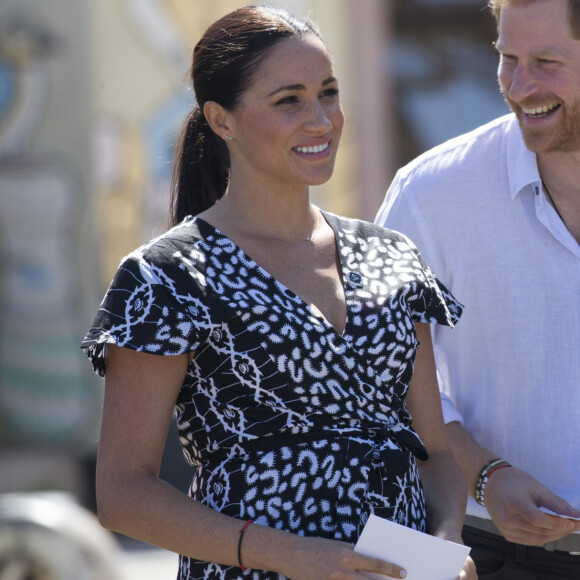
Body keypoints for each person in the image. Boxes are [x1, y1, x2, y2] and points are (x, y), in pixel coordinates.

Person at [81, 6, 476, 580]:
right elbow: (122, 492)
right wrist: (285, 553)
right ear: (222, 120)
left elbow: (435, 453)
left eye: (329, 93)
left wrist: (444, 550)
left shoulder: (393, 256)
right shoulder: (167, 275)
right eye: (288, 100)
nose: (320, 119)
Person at [375, 0, 580, 578]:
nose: (518, 86)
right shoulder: (431, 194)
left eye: (545, 61)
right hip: (486, 558)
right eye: (507, 58)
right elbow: (374, 379)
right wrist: (485, 475)